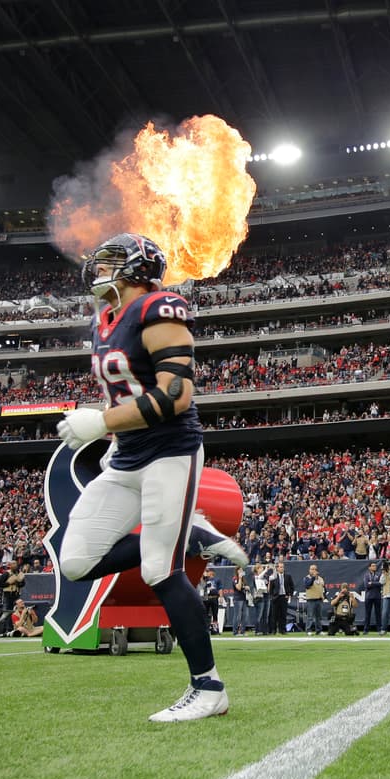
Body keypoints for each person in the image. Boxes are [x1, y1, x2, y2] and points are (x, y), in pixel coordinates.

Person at [53, 233, 240, 722]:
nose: (97, 271)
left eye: (110, 263)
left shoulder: (160, 307)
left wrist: (101, 421)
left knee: (160, 570)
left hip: (169, 455)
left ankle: (208, 687)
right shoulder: (104, 321)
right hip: (126, 459)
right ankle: (191, 533)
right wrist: (112, 431)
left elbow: (176, 394)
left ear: (136, 271)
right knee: (75, 561)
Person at [267, 561, 292, 635]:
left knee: (283, 615)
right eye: (280, 567)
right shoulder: (273, 577)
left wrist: (289, 594)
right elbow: (271, 588)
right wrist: (271, 596)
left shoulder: (288, 576)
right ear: (277, 568)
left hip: (284, 597)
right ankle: (273, 630)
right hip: (276, 597)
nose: (282, 568)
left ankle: (283, 630)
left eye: (283, 567)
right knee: (274, 615)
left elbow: (292, 586)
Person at [301, 564, 326, 635]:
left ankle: (319, 630)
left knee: (319, 616)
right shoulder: (307, 578)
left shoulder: (321, 578)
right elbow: (307, 585)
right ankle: (308, 630)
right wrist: (313, 578)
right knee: (310, 616)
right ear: (309, 570)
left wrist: (324, 595)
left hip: (319, 599)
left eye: (315, 569)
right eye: (312, 569)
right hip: (311, 599)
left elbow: (323, 588)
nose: (313, 570)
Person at [360, 561, 383, 634]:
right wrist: (374, 584)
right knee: (367, 613)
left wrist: (372, 583)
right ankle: (366, 629)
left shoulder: (379, 574)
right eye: (373, 566)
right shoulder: (366, 575)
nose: (374, 567)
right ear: (369, 567)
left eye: (375, 566)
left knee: (378, 613)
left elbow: (381, 583)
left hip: (377, 596)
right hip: (369, 596)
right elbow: (366, 585)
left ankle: (379, 629)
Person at [230, 567, 250, 635]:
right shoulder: (235, 578)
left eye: (242, 570)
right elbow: (238, 587)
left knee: (245, 616)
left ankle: (242, 631)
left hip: (244, 598)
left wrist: (247, 587)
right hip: (238, 599)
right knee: (237, 616)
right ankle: (235, 632)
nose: (242, 571)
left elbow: (246, 586)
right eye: (240, 570)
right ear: (237, 571)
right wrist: (240, 578)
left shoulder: (244, 579)